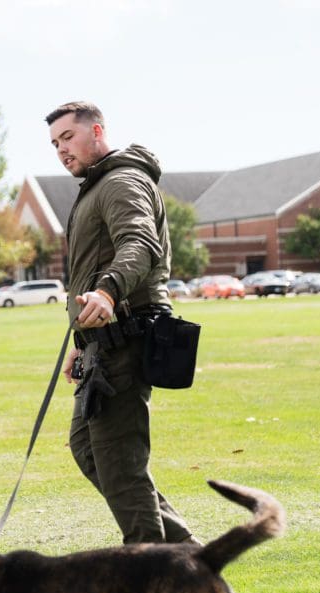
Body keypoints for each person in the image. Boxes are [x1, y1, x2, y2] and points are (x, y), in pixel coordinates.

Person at [45, 101, 197, 546]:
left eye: (67, 138)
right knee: (89, 448)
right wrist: (83, 338)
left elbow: (139, 243)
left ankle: (154, 580)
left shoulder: (121, 180)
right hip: (102, 343)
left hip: (127, 341)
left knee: (120, 466)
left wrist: (109, 292)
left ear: (96, 130)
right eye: (55, 144)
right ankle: (189, 557)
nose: (61, 150)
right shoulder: (97, 185)